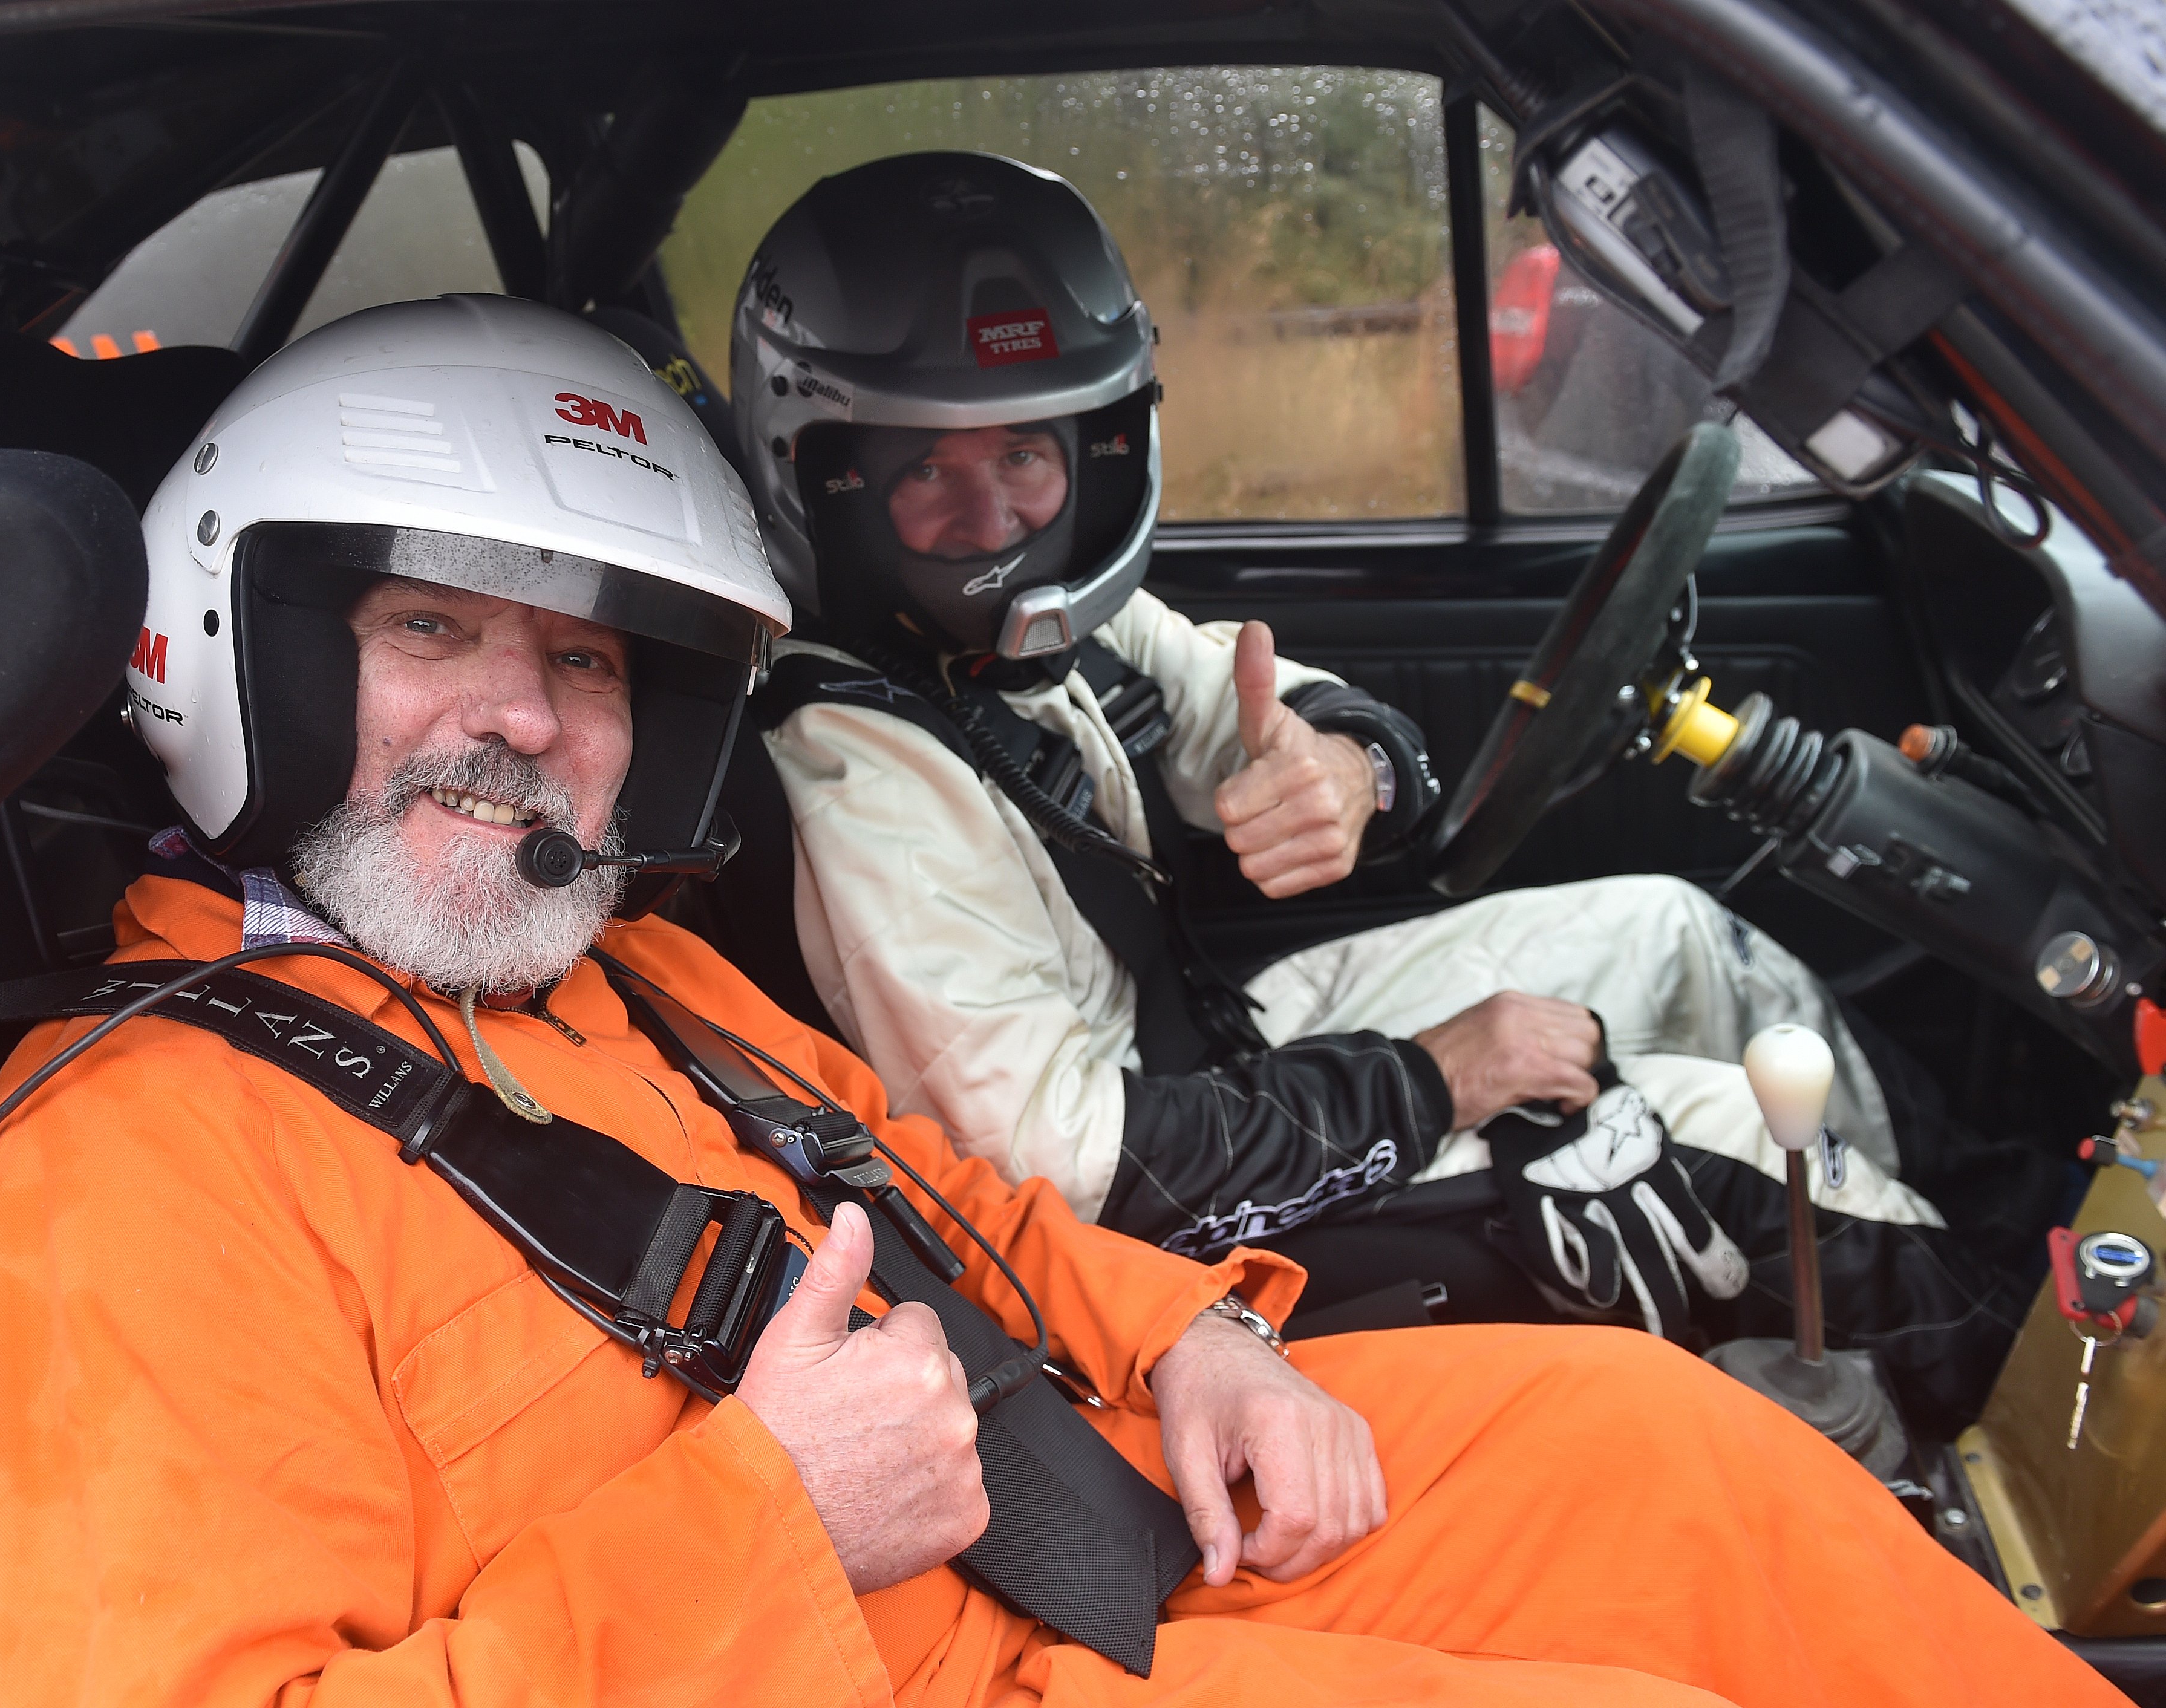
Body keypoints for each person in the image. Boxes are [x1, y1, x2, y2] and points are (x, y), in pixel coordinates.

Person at [0, 295, 2113, 1708]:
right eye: (434, 632)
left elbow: (968, 1206)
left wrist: (1200, 1339)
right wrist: (763, 1528)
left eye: (589, 662)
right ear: (252, 655)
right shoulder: (131, 1171)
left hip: (1084, 1502)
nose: (523, 716)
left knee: (1672, 1456)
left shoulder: (642, 980)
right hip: (892, 1664)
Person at [720, 151, 2020, 1422]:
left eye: (1026, 459)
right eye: (924, 475)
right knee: (1725, 1127)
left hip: (1205, 1057)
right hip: (1147, 1212)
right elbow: (1071, 1179)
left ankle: (2001, 1204)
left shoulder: (1052, 627)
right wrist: (1434, 1079)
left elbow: (1272, 703)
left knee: (1674, 927)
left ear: (1096, 452)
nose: (995, 518)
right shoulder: (855, 762)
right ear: (826, 479)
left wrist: (1343, 764)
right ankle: (2026, 1377)